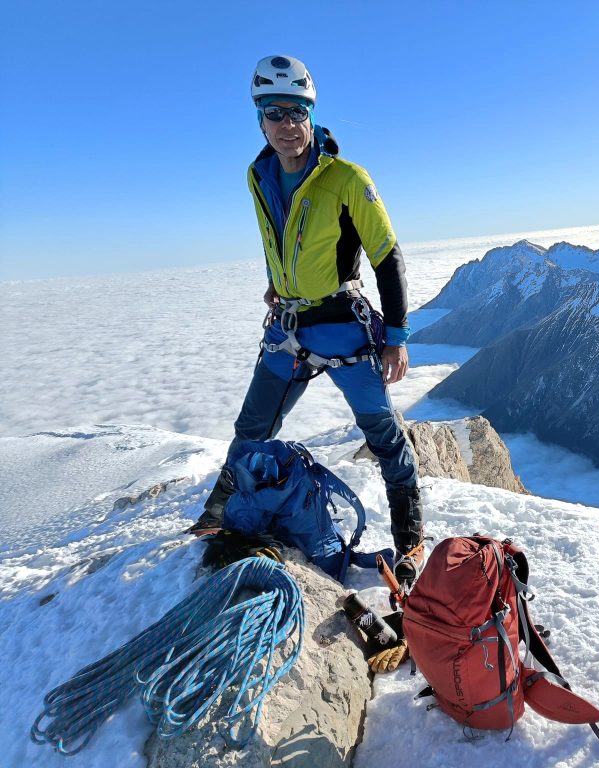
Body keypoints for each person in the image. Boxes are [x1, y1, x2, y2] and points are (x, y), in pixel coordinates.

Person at [192, 55, 424, 590]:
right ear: (260, 119)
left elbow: (387, 255)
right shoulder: (258, 174)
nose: (286, 125)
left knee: (382, 432)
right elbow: (277, 232)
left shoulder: (346, 178)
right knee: (252, 429)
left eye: (296, 112)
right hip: (289, 322)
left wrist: (397, 336)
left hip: (343, 322)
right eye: (274, 113)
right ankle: (218, 515)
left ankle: (408, 534)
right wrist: (281, 279)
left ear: (311, 114)